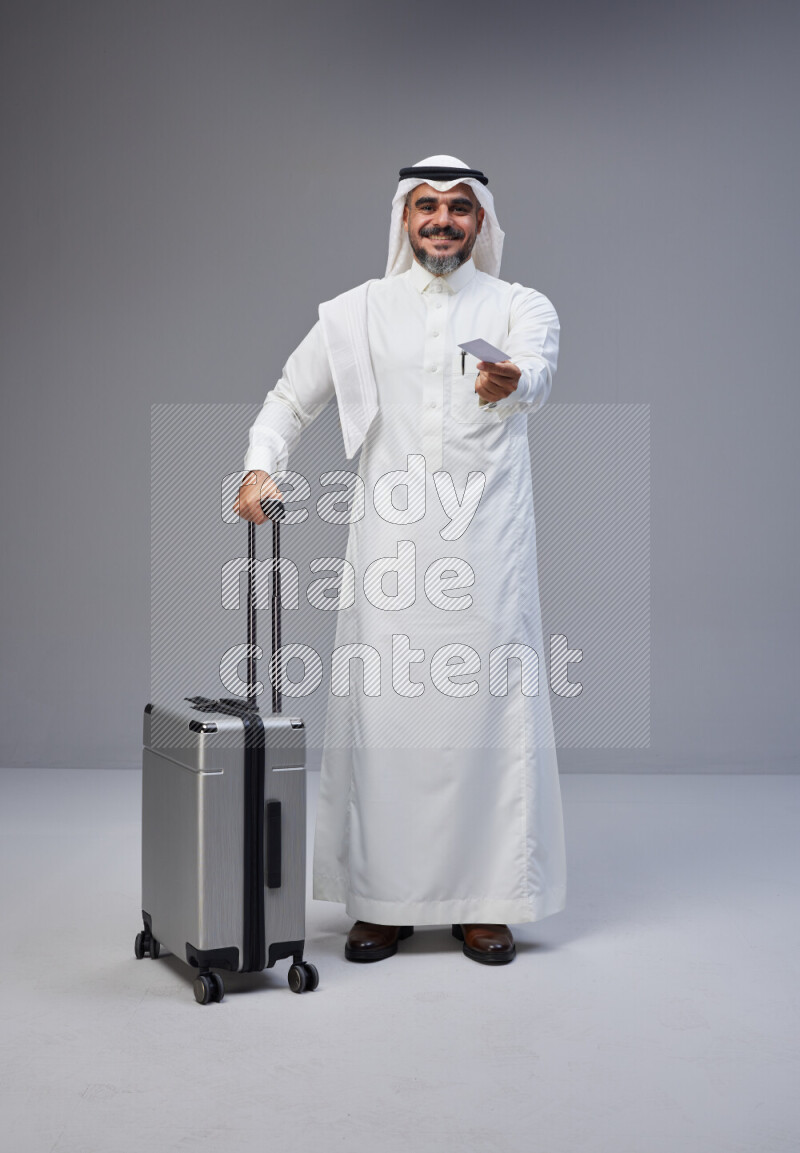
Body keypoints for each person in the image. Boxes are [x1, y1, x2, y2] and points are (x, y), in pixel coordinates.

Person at [235, 155, 566, 965]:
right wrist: (257, 464)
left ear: (481, 221)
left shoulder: (520, 305)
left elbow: (538, 374)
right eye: (427, 206)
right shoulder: (357, 313)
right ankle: (380, 902)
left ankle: (487, 901)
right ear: (404, 218)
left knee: (486, 717)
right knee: (385, 722)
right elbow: (290, 395)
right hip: (388, 548)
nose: (443, 220)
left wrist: (510, 383)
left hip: (488, 548)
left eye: (459, 207)